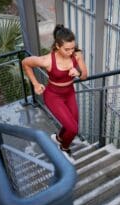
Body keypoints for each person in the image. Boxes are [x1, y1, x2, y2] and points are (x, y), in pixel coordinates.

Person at [22, 24, 88, 160]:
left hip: (69, 93)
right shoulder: (47, 60)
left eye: (73, 48)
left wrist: (78, 72)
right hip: (54, 96)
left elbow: (84, 76)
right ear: (57, 46)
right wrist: (35, 84)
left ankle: (58, 138)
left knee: (73, 124)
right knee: (73, 129)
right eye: (67, 49)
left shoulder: (77, 55)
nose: (71, 52)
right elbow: (25, 63)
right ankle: (64, 148)